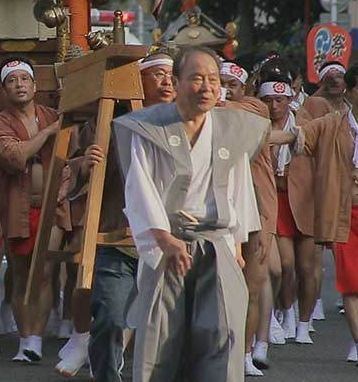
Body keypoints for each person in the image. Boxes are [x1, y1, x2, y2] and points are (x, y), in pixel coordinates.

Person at [112, 47, 268, 382]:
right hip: (168, 244)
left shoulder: (231, 128)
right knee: (161, 336)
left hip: (219, 241)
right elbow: (140, 189)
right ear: (177, 81)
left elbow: (238, 189)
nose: (207, 87)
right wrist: (164, 239)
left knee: (222, 333)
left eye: (213, 79)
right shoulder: (150, 128)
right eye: (197, 78)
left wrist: (238, 245)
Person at [270, 63, 358, 366]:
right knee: (349, 283)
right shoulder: (332, 124)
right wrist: (255, 137)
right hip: (342, 214)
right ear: (349, 90)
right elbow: (295, 135)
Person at [56, 51, 175, 380]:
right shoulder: (110, 120)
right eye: (158, 75)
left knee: (166, 330)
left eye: (171, 75)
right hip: (117, 236)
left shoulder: (187, 122)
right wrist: (87, 162)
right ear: (139, 80)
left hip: (169, 242)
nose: (166, 81)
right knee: (109, 318)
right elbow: (74, 169)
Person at [0, 56, 71, 363]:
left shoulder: (53, 114)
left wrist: (64, 189)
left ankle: (36, 337)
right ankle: (25, 340)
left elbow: (72, 160)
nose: (19, 85)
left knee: (46, 272)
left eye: (24, 79)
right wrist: (48, 134)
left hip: (52, 207)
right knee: (22, 274)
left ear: (35, 85)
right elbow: (15, 157)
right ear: (4, 90)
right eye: (12, 80)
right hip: (17, 208)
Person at [219, 60, 277, 377]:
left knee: (251, 287)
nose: (226, 89)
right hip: (219, 209)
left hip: (258, 207)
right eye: (221, 82)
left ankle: (244, 354)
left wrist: (215, 99)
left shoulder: (253, 107)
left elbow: (242, 117)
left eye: (233, 84)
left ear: (246, 88)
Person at [258, 77, 318, 349]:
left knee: (307, 267)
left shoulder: (303, 125)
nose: (274, 106)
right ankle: (282, 308)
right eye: (268, 100)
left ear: (288, 101)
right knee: (284, 264)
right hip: (274, 200)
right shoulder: (257, 125)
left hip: (304, 200)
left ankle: (299, 319)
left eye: (279, 100)